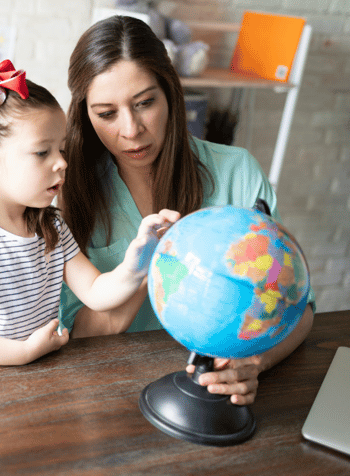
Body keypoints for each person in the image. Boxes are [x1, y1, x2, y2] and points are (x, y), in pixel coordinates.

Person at [59, 16, 315, 404]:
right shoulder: (68, 191)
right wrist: (153, 266)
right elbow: (77, 333)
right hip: (109, 390)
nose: (130, 130)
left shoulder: (237, 172)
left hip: (212, 393)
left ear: (171, 94)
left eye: (145, 103)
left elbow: (298, 304)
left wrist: (254, 363)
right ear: (84, 114)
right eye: (106, 114)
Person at [0, 60, 179, 366]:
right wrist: (22, 353)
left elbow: (94, 291)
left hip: (16, 380)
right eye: (42, 152)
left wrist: (134, 266)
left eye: (60, 149)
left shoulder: (51, 227)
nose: (62, 163)